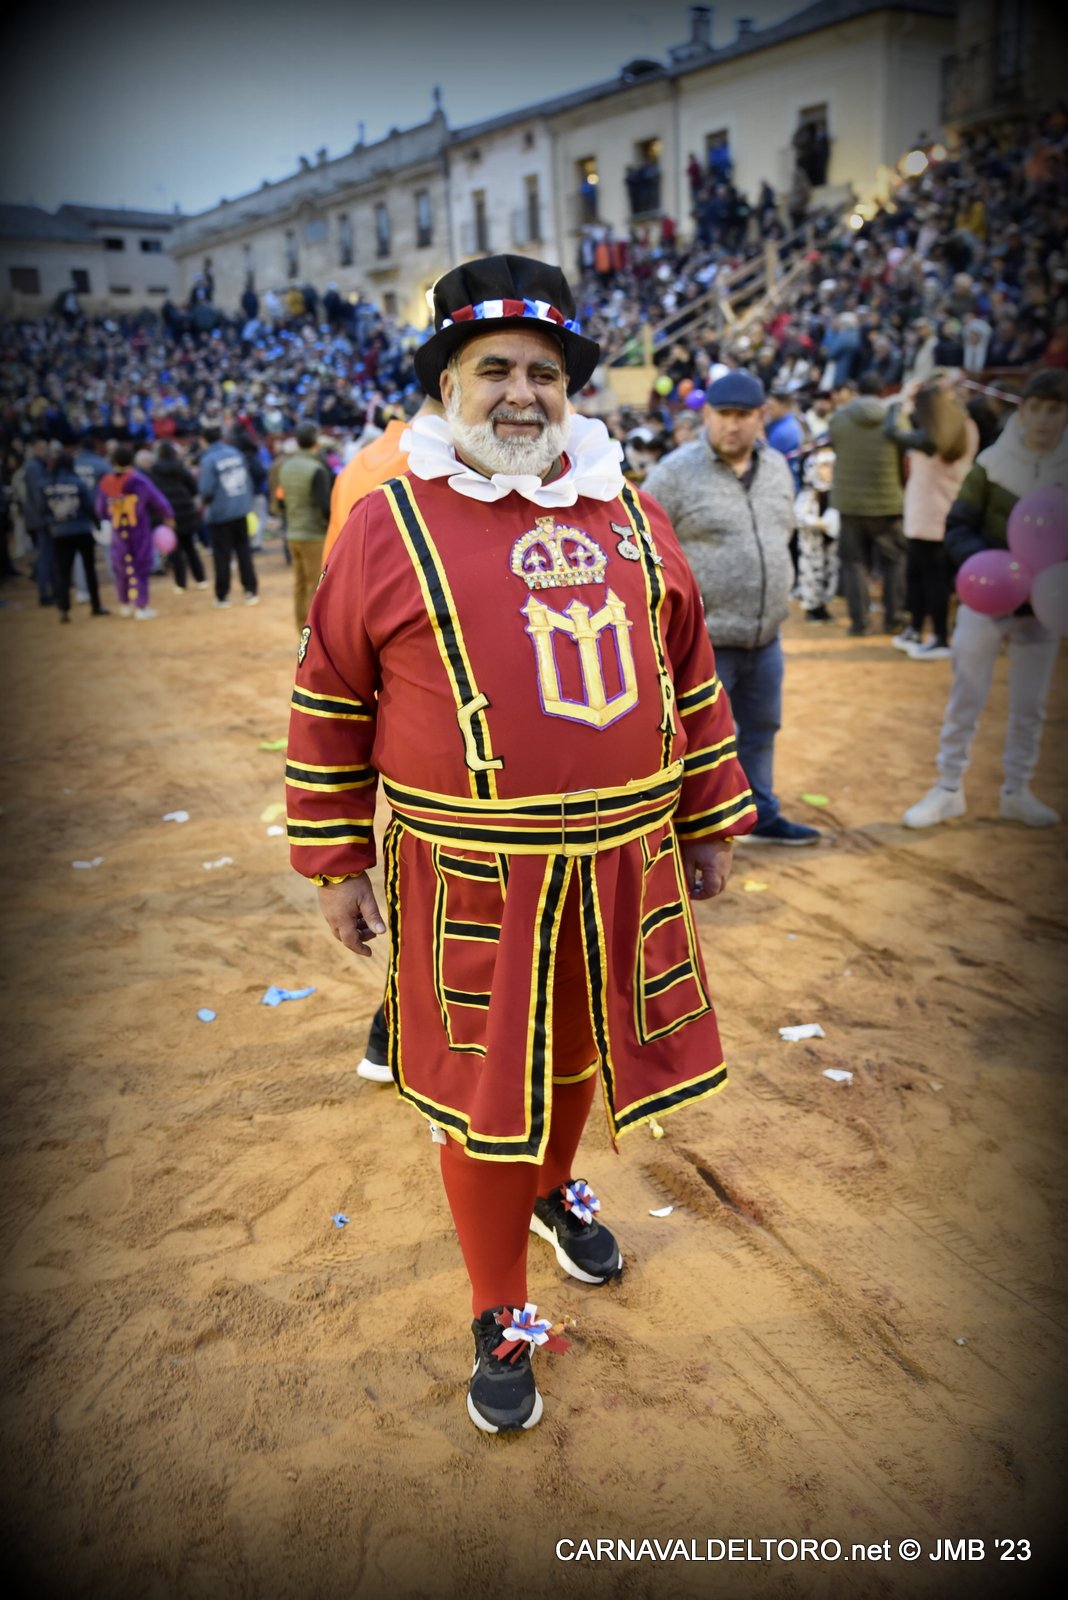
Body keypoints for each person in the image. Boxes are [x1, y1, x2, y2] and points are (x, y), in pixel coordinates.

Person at [285, 254, 756, 1434]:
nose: (521, 393)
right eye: (493, 368)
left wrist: (708, 816)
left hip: (626, 859)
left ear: (570, 391)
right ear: (447, 383)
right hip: (468, 873)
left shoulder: (631, 511)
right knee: (488, 1093)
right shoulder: (386, 524)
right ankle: (499, 1308)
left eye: (544, 372)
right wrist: (336, 860)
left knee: (580, 1046)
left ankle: (554, 1187)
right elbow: (330, 696)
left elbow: (689, 671)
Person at [644, 369, 821, 846]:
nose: (733, 424)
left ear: (762, 416)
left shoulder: (778, 467)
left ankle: (760, 812)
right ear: (706, 415)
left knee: (762, 728)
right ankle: (690, 829)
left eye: (744, 415)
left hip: (766, 636)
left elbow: (781, 535)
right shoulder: (675, 473)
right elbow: (640, 547)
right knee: (694, 738)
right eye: (723, 414)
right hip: (702, 643)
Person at [903, 370, 1068, 829]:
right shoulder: (993, 464)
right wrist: (994, 571)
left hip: (1045, 610)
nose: (1044, 419)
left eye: (1055, 410)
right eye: (1036, 409)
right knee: (966, 696)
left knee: (1031, 704)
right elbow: (958, 527)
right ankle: (948, 788)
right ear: (1023, 411)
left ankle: (1018, 789)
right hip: (986, 603)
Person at [888, 379, 978, 659]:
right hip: (940, 513)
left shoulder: (932, 439)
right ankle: (916, 629)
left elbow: (892, 432)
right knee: (923, 576)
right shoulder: (965, 427)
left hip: (929, 517)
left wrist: (902, 400)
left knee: (930, 579)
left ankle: (939, 636)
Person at [828, 372, 907, 636]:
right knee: (894, 560)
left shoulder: (839, 418)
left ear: (857, 392)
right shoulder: (895, 418)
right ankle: (894, 619)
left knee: (854, 563)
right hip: (887, 501)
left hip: (850, 503)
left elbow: (836, 447)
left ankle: (859, 623)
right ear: (883, 391)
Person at [96, 444, 175, 619]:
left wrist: (110, 518)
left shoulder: (106, 482)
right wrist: (168, 516)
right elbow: (158, 500)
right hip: (138, 530)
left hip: (118, 531)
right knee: (141, 566)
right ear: (132, 460)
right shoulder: (139, 480)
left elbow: (100, 509)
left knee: (121, 567)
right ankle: (141, 606)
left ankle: (124, 603)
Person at [42, 452, 109, 622]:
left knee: (63, 572)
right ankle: (96, 606)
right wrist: (98, 524)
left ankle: (63, 609)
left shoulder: (48, 484)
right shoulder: (77, 482)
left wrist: (52, 524)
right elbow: (89, 505)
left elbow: (43, 509)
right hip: (82, 531)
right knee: (89, 569)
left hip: (59, 533)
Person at [278, 421, 332, 630]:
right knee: (314, 584)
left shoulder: (286, 465)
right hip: (313, 534)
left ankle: (301, 627)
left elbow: (280, 500)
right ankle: (312, 632)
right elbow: (324, 506)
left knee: (299, 583)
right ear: (316, 441)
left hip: (292, 532)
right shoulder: (316, 468)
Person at [198, 423, 258, 608]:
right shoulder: (235, 453)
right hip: (241, 509)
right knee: (244, 551)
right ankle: (250, 591)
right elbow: (248, 480)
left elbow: (206, 490)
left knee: (222, 556)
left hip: (220, 514)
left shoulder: (208, 459)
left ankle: (223, 596)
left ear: (204, 440)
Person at [149, 440, 207, 592]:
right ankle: (201, 579)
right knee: (190, 547)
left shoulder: (153, 471)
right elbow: (194, 488)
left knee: (175, 551)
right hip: (186, 512)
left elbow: (152, 495)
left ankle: (180, 583)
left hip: (167, 515)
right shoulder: (179, 467)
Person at [794, 447, 839, 622]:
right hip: (812, 545)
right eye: (824, 466)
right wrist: (816, 522)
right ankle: (813, 608)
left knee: (829, 575)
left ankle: (823, 606)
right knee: (812, 577)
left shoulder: (836, 492)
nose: (829, 470)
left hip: (829, 543)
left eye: (832, 466)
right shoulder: (809, 493)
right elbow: (798, 516)